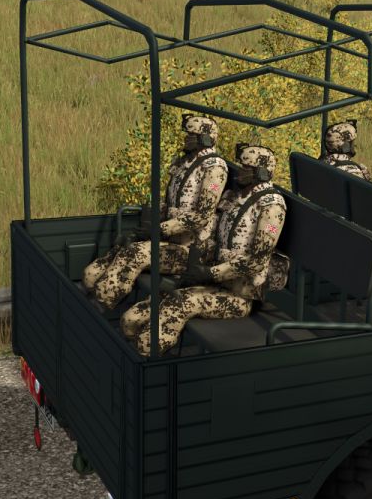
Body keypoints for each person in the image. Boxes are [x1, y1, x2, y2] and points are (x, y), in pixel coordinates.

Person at [120, 143, 290, 356]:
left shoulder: (272, 207)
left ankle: (147, 358)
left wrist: (211, 273)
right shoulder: (234, 197)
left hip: (240, 295)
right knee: (132, 317)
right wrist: (196, 264)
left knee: (178, 304)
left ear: (262, 173)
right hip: (210, 281)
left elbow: (256, 261)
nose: (240, 170)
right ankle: (132, 350)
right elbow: (212, 235)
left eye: (247, 168)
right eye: (241, 165)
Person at [83, 114, 227, 307]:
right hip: (167, 238)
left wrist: (159, 230)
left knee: (134, 253)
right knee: (113, 254)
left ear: (205, 138)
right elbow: (168, 201)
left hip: (192, 250)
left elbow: (201, 217)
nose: (186, 138)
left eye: (191, 135)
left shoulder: (215, 169)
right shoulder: (184, 162)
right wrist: (148, 226)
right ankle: (88, 292)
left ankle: (101, 303)